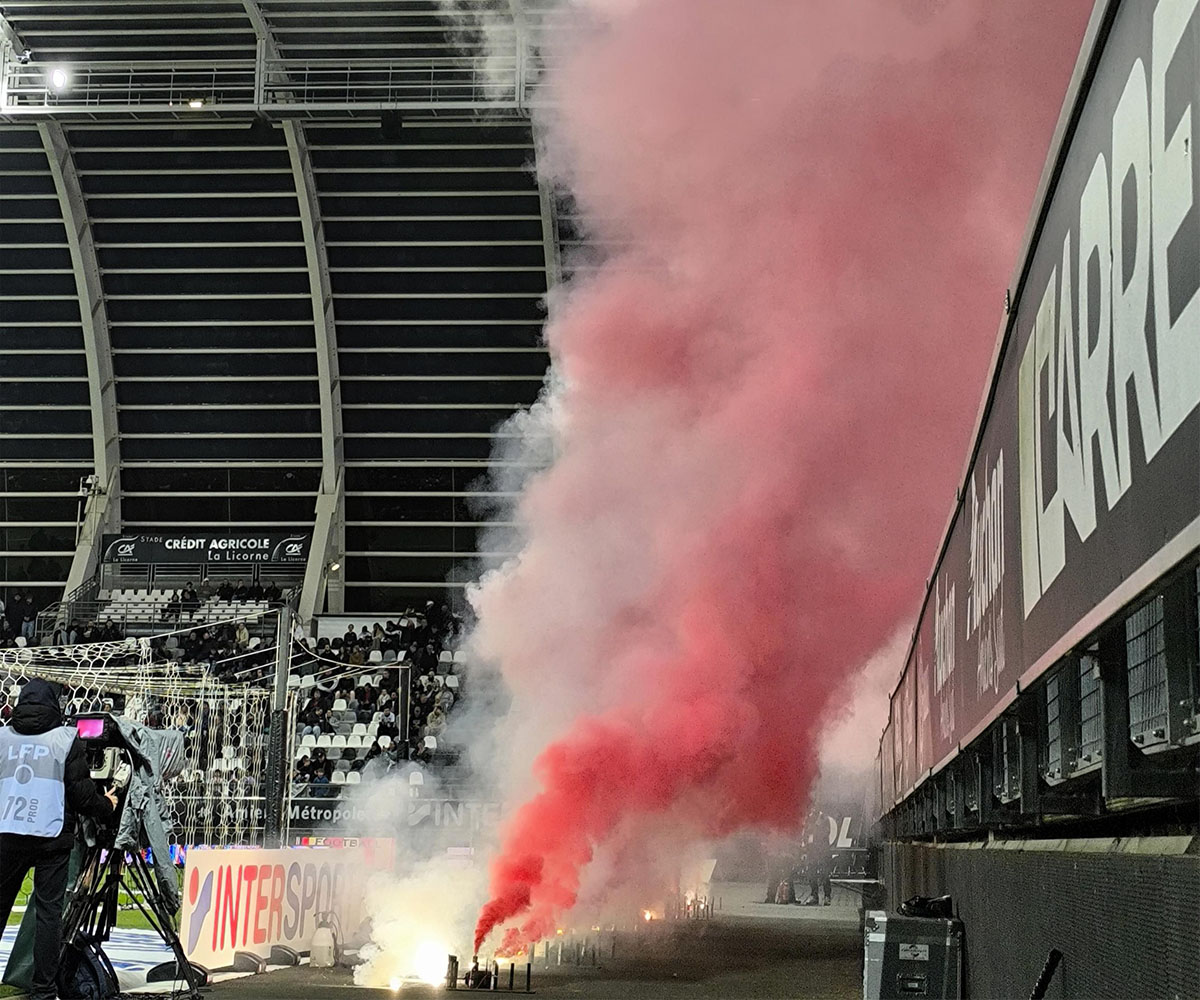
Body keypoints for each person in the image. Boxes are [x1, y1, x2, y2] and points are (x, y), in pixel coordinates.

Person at [0, 679, 117, 1000]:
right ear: (55, 705)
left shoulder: (3, 737)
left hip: (7, 833)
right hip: (50, 836)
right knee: (48, 916)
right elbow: (82, 796)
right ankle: (43, 991)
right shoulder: (65, 739)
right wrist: (107, 805)